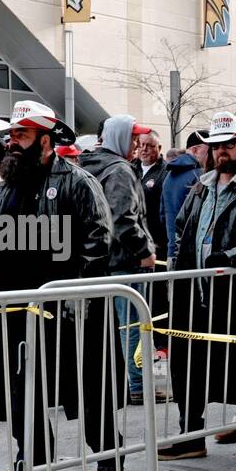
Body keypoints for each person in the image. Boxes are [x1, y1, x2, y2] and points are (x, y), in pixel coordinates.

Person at [0, 99, 123, 471]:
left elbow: (98, 242)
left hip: (70, 309)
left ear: (45, 140)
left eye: (22, 134)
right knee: (23, 386)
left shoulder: (78, 182)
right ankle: (34, 459)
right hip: (17, 309)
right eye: (11, 134)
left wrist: (69, 293)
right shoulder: (8, 185)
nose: (12, 142)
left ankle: (108, 456)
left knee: (89, 384)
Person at [157, 111, 236, 470]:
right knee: (189, 366)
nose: (222, 152)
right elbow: (181, 228)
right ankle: (190, 437)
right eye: (216, 146)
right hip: (195, 293)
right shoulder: (200, 186)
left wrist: (228, 258)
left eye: (229, 144)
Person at [79, 115, 160, 405]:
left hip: (100, 263)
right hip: (125, 263)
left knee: (118, 328)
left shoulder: (87, 165)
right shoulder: (119, 171)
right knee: (133, 327)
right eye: (132, 137)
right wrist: (145, 252)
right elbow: (123, 218)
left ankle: (127, 383)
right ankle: (137, 385)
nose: (137, 144)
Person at [162, 130, 209, 264]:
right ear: (195, 150)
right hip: (193, 254)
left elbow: (162, 215)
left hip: (172, 250)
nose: (214, 155)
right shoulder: (201, 176)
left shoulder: (169, 177)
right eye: (211, 149)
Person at [133, 130, 168, 257]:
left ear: (159, 148)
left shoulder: (167, 172)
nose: (144, 149)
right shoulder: (130, 168)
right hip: (133, 240)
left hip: (155, 243)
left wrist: (160, 239)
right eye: (141, 145)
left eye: (149, 145)